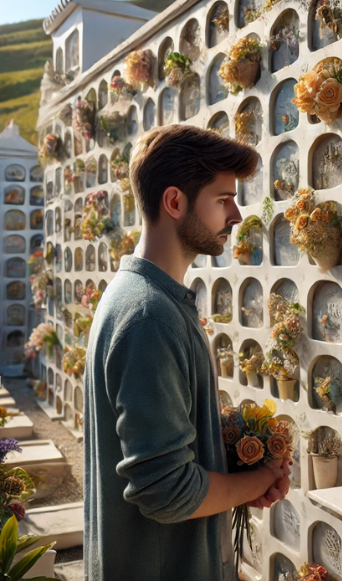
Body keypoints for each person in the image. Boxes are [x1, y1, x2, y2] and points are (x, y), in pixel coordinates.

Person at [84, 125, 291, 581]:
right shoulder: (148, 317)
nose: (236, 215)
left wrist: (235, 469)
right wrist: (259, 480)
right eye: (222, 200)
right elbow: (167, 491)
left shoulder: (145, 297)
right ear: (174, 202)